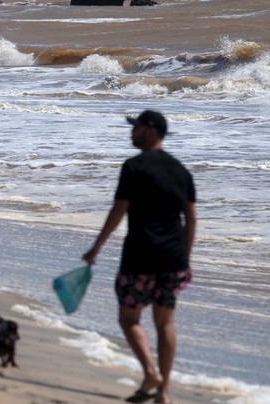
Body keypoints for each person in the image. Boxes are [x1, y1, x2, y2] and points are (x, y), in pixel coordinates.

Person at [84, 110, 196, 404]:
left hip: (141, 256)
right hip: (172, 259)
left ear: (152, 131)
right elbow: (192, 217)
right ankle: (164, 392)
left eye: (136, 129)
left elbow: (119, 210)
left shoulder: (133, 167)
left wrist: (96, 248)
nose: (132, 133)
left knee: (129, 318)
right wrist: (185, 256)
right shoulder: (181, 170)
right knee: (165, 324)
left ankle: (151, 373)